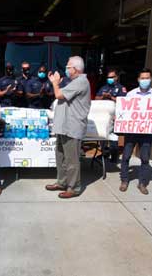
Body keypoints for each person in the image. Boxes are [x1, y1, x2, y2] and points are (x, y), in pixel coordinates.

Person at [45, 56, 91, 199]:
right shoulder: (74, 82)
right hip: (64, 127)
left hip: (72, 128)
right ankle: (62, 182)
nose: (66, 69)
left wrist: (54, 83)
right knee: (61, 157)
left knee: (71, 160)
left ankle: (74, 187)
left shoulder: (81, 82)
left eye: (68, 67)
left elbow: (58, 94)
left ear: (76, 69)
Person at [119, 68, 152, 195]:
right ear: (138, 80)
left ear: (151, 79)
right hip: (132, 131)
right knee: (126, 156)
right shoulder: (130, 94)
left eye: (147, 78)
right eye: (142, 78)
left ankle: (142, 183)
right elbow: (124, 112)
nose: (145, 80)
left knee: (145, 158)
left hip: (147, 132)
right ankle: (124, 180)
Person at [95, 67, 127, 163]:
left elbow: (124, 102)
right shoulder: (104, 87)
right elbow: (96, 98)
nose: (110, 79)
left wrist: (111, 97)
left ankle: (114, 156)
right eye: (108, 77)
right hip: (103, 116)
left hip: (115, 116)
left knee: (113, 137)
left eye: (112, 77)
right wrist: (102, 97)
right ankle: (104, 153)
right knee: (102, 136)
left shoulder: (121, 88)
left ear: (116, 77)